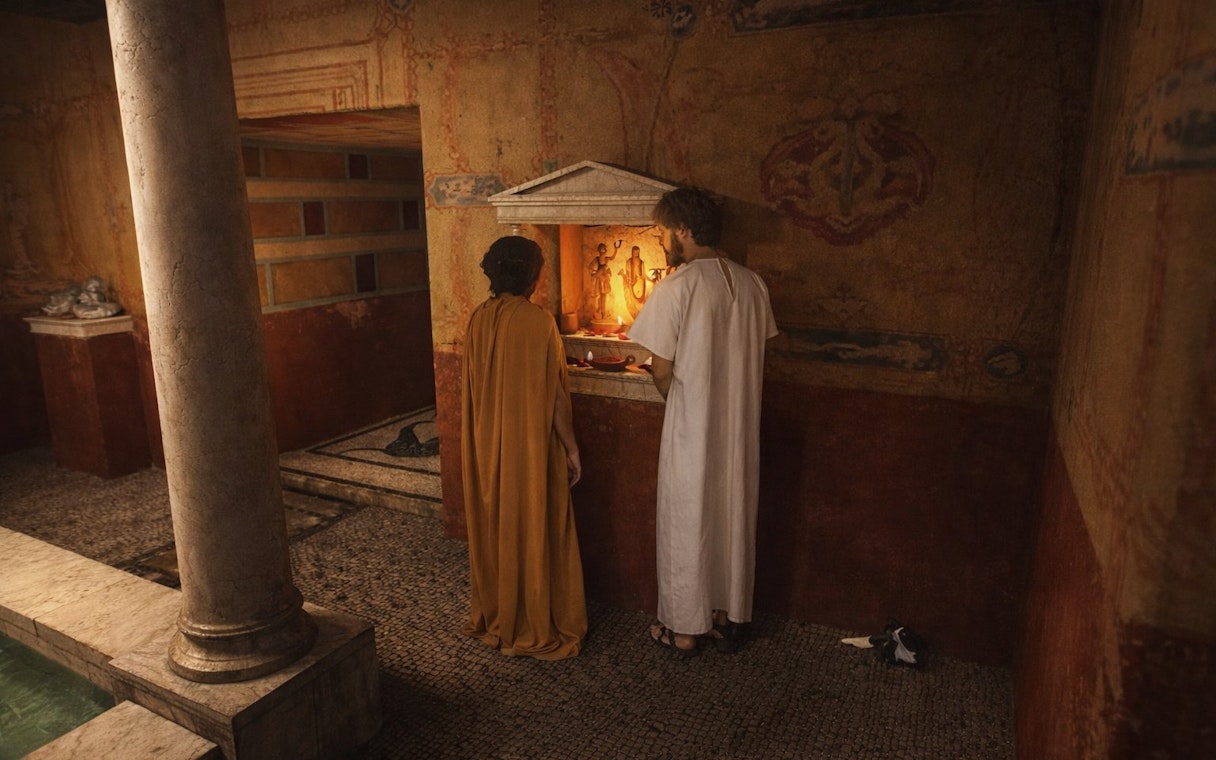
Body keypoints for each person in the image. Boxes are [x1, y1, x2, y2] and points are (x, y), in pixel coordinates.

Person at [626, 187, 778, 656]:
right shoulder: (753, 284)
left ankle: (682, 628)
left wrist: (680, 400)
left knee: (686, 518)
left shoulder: (677, 286)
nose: (663, 240)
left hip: (694, 427)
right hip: (740, 427)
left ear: (684, 231)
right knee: (729, 515)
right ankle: (722, 613)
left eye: (665, 231)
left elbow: (660, 366)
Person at [461, 235, 587, 660]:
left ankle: (501, 612)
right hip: (530, 447)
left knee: (499, 522)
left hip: (488, 446)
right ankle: (534, 617)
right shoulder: (537, 322)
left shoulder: (478, 318)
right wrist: (572, 449)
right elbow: (553, 398)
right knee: (536, 520)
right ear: (532, 275)